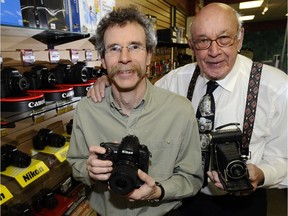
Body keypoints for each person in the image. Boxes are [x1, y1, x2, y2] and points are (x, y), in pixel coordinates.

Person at [87, 3, 288, 216]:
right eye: (202, 41)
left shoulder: (276, 87)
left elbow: (285, 159)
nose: (214, 51)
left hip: (244, 205)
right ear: (191, 45)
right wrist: (109, 80)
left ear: (240, 38)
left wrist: (262, 173)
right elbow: (137, 95)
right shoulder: (176, 80)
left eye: (224, 38)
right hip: (185, 202)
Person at [67, 6, 203, 216]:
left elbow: (192, 178)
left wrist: (158, 191)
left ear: (149, 55)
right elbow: (75, 163)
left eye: (134, 46)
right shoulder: (87, 110)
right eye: (114, 48)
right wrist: (89, 171)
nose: (124, 58)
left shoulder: (180, 110)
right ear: (102, 59)